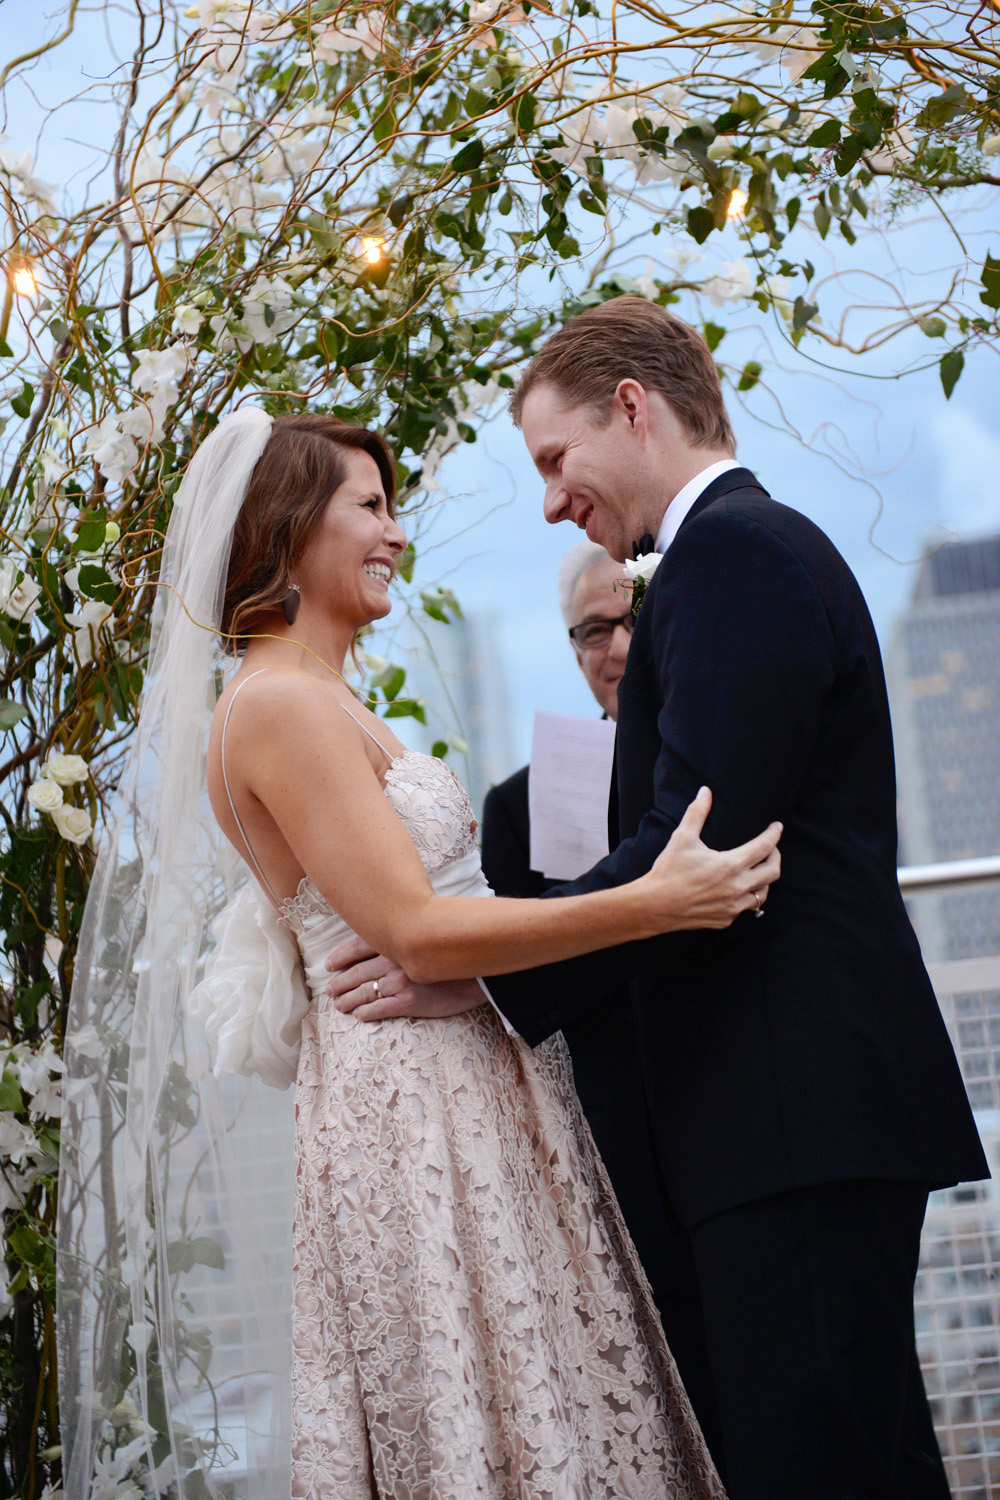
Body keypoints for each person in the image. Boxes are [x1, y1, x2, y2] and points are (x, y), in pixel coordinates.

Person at [327, 300, 989, 1500]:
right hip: (795, 1120)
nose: (549, 502)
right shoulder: (735, 558)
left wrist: (470, 975)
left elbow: (696, 853)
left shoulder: (731, 555)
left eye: (551, 460)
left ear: (630, 408)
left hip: (791, 1116)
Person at [60, 406, 782, 1500]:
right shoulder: (278, 707)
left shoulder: (323, 700)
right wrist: (654, 901)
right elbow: (414, 929)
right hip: (410, 1108)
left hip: (463, 1078)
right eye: (370, 506)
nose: (396, 534)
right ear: (290, 525)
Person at [481, 540, 677, 1303]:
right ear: (572, 647)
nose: (619, 648)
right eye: (595, 630)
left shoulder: (716, 752)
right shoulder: (517, 806)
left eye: (635, 620)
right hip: (607, 1130)